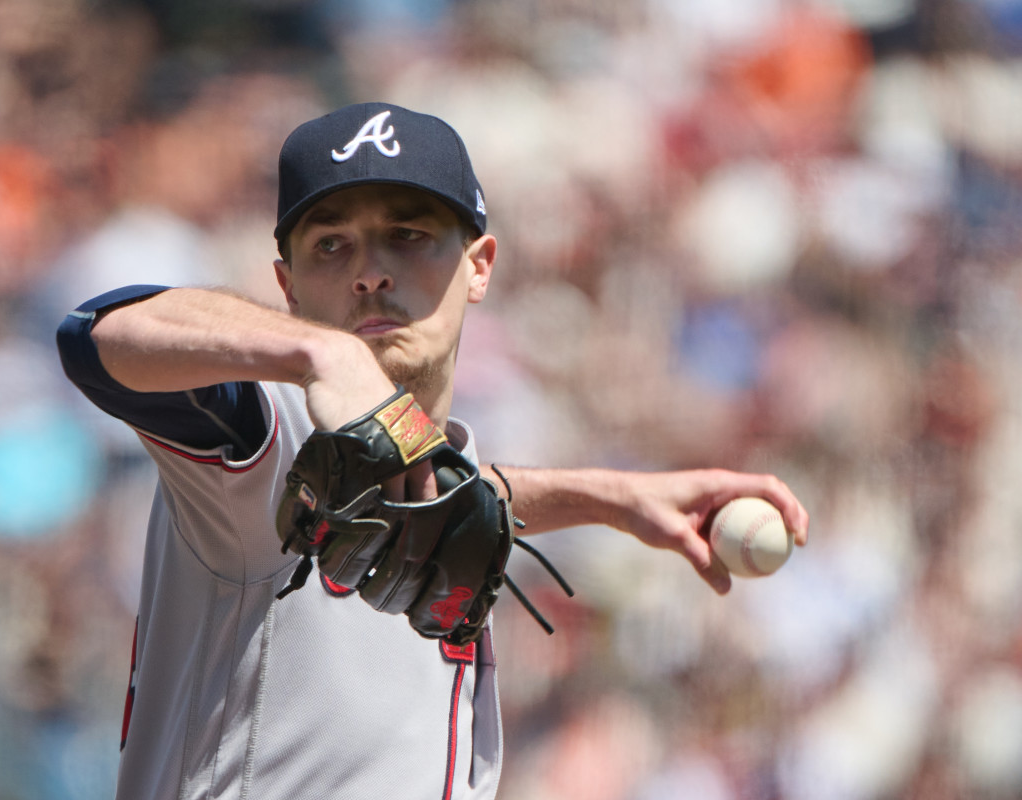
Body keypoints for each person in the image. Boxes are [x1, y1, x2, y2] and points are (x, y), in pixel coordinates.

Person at [56, 101, 809, 800]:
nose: (370, 271)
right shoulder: (270, 425)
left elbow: (444, 493)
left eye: (408, 236)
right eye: (330, 245)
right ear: (285, 285)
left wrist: (611, 498)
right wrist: (320, 353)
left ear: (479, 264)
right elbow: (96, 334)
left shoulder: (424, 468)